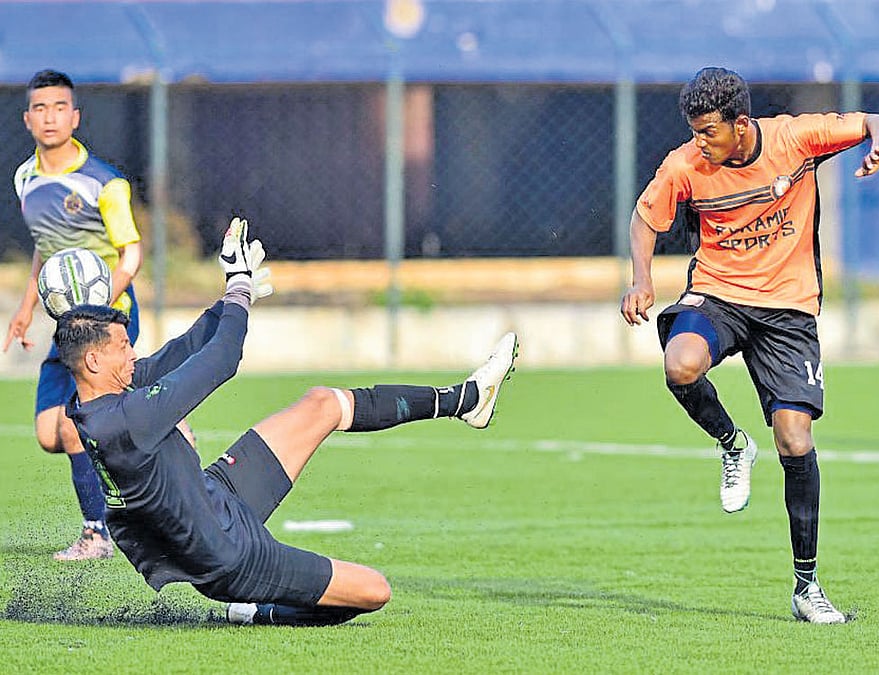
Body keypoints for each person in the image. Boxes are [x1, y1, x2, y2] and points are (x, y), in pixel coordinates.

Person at [53, 217, 518, 626]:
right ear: (94, 360)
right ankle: (257, 610)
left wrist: (236, 295)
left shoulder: (97, 399)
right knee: (375, 590)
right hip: (229, 556)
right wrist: (237, 287)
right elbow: (222, 359)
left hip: (215, 498)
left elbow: (185, 348)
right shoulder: (128, 419)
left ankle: (466, 400)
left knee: (322, 403)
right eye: (122, 346)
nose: (133, 353)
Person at [620, 67, 879, 624]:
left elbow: (878, 119)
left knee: (795, 441)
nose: (700, 143)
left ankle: (806, 587)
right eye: (694, 132)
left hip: (789, 309)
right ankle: (731, 443)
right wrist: (642, 279)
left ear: (741, 125)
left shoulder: (797, 138)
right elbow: (644, 218)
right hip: (719, 295)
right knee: (681, 364)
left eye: (708, 132)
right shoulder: (686, 165)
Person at [2, 69, 150, 561]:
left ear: (76, 116)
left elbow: (131, 254)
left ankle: (98, 534)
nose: (50, 117)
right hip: (64, 325)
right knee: (50, 433)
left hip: (107, 321)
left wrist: (101, 298)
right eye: (40, 108)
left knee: (73, 428)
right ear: (27, 119)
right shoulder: (25, 177)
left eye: (59, 107)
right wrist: (25, 311)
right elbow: (46, 250)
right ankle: (161, 423)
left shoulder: (105, 183)